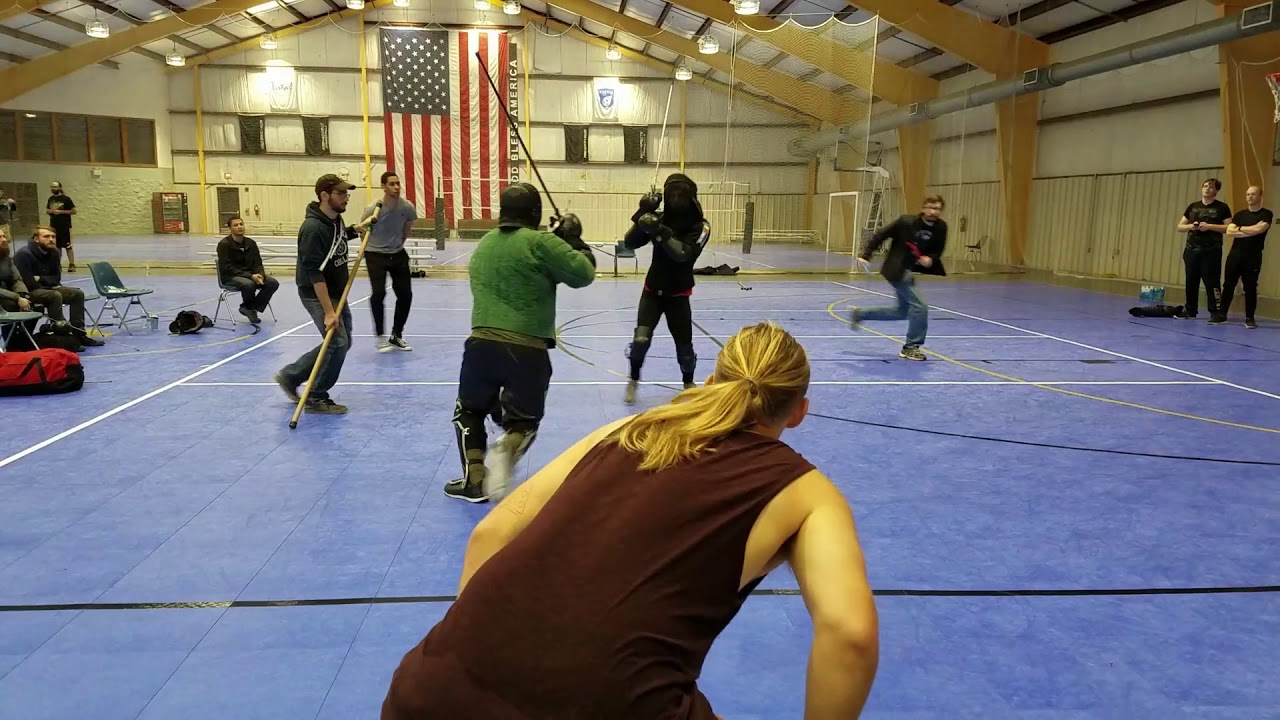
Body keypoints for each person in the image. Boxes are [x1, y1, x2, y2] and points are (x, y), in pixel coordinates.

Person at [382, 322, 880, 720]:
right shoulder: (807, 493)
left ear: (711, 384)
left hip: (428, 690)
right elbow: (850, 635)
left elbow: (492, 531)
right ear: (799, 412)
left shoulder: (632, 429)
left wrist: (490, 658)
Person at [445, 182, 596, 503]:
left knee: (468, 411)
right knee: (524, 422)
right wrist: (573, 241)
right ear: (535, 212)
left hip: (481, 344)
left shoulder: (485, 243)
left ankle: (474, 478)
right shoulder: (540, 242)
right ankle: (508, 447)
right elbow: (583, 274)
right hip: (528, 349)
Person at [274, 174, 373, 415]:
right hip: (317, 292)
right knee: (337, 342)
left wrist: (356, 230)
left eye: (347, 193)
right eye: (341, 193)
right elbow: (314, 273)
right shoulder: (313, 229)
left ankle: (291, 375)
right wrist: (329, 311)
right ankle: (316, 395)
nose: (346, 198)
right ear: (324, 195)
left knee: (342, 342)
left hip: (336, 290)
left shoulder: (334, 219)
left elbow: (336, 240)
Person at [622, 172, 711, 405]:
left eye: (682, 195)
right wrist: (643, 212)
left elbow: (683, 254)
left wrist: (659, 231)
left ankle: (688, 383)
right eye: (672, 195)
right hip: (653, 291)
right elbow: (630, 243)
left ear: (691, 198)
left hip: (678, 295)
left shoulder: (701, 227)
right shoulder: (659, 218)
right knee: (641, 340)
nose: (676, 200)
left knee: (685, 349)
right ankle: (633, 379)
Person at [848, 194, 948, 361]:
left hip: (909, 269)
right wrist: (866, 255)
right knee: (920, 306)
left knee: (902, 312)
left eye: (937, 208)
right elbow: (881, 234)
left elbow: (937, 249)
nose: (933, 212)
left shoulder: (941, 227)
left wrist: (930, 258)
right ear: (923, 209)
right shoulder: (906, 222)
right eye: (930, 208)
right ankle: (911, 347)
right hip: (896, 268)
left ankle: (860, 313)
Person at [12, 225, 103, 347]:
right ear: (36, 239)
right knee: (54, 295)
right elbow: (28, 282)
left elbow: (56, 278)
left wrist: (40, 278)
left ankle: (80, 335)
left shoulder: (54, 253)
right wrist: (48, 283)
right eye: (46, 236)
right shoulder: (23, 255)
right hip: (28, 292)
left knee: (77, 294)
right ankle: (62, 336)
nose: (51, 239)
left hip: (48, 288)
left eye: (53, 237)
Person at [360, 171, 418, 352]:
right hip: (375, 254)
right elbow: (362, 229)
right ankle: (380, 336)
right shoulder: (373, 209)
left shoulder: (407, 207)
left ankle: (396, 335)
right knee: (378, 293)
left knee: (405, 295)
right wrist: (366, 247)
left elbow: (406, 228)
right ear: (383, 186)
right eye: (392, 184)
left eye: (398, 183)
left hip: (397, 253)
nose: (396, 187)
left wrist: (397, 244)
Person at [1211, 185, 1271, 329]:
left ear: (1260, 196)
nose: (1250, 197)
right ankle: (1222, 314)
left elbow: (1260, 229)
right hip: (1235, 255)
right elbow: (1230, 232)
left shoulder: (1266, 214)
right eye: (1248, 194)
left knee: (1250, 287)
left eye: (1253, 194)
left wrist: (1240, 229)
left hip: (1253, 256)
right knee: (1228, 284)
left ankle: (1250, 317)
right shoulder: (1239, 215)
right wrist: (1248, 230)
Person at [1175, 178, 1232, 319]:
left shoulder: (1222, 208)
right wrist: (1191, 226)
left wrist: (1209, 226)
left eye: (1211, 187)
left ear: (1216, 190)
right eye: (1205, 186)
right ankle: (1190, 310)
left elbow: (1229, 228)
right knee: (1191, 281)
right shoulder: (1193, 206)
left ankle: (1216, 311)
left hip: (1211, 251)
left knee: (1212, 282)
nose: (1207, 189)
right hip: (1192, 250)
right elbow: (1180, 226)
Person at [216, 215, 278, 325]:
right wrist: (251, 276)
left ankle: (249, 308)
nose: (240, 227)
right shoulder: (224, 245)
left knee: (272, 283)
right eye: (236, 225)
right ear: (230, 228)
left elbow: (258, 263)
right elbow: (227, 268)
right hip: (231, 276)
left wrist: (260, 275)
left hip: (251, 275)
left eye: (241, 224)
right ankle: (250, 309)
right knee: (249, 284)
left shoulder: (251, 243)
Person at [45, 181, 76, 273]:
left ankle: (71, 264)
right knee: (56, 247)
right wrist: (50, 211)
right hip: (54, 226)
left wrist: (60, 212)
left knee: (68, 246)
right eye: (52, 187)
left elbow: (73, 211)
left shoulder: (66, 199)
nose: (53, 188)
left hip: (65, 226)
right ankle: (58, 265)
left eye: (55, 187)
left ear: (60, 188)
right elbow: (47, 210)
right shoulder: (50, 199)